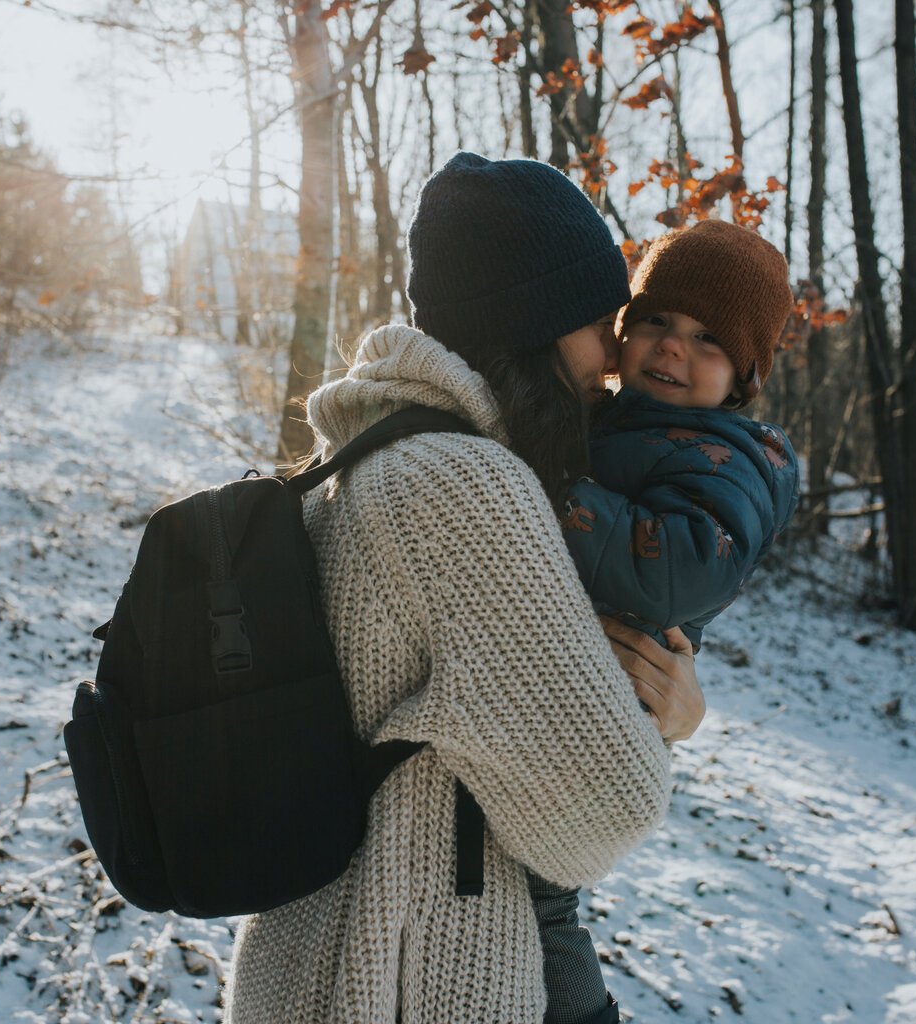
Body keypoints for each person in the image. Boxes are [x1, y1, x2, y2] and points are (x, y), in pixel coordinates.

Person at [223, 152, 705, 1024]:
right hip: (394, 980)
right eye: (599, 324)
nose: (610, 361)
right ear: (532, 321)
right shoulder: (462, 486)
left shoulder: (370, 455)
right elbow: (603, 809)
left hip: (319, 962)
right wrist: (670, 718)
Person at [532, 220, 802, 1024]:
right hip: (557, 696)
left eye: (708, 339)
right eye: (656, 321)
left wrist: (546, 494)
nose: (671, 348)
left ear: (745, 378)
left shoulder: (731, 459)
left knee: (544, 909)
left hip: (597, 729)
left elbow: (677, 568)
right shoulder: (610, 417)